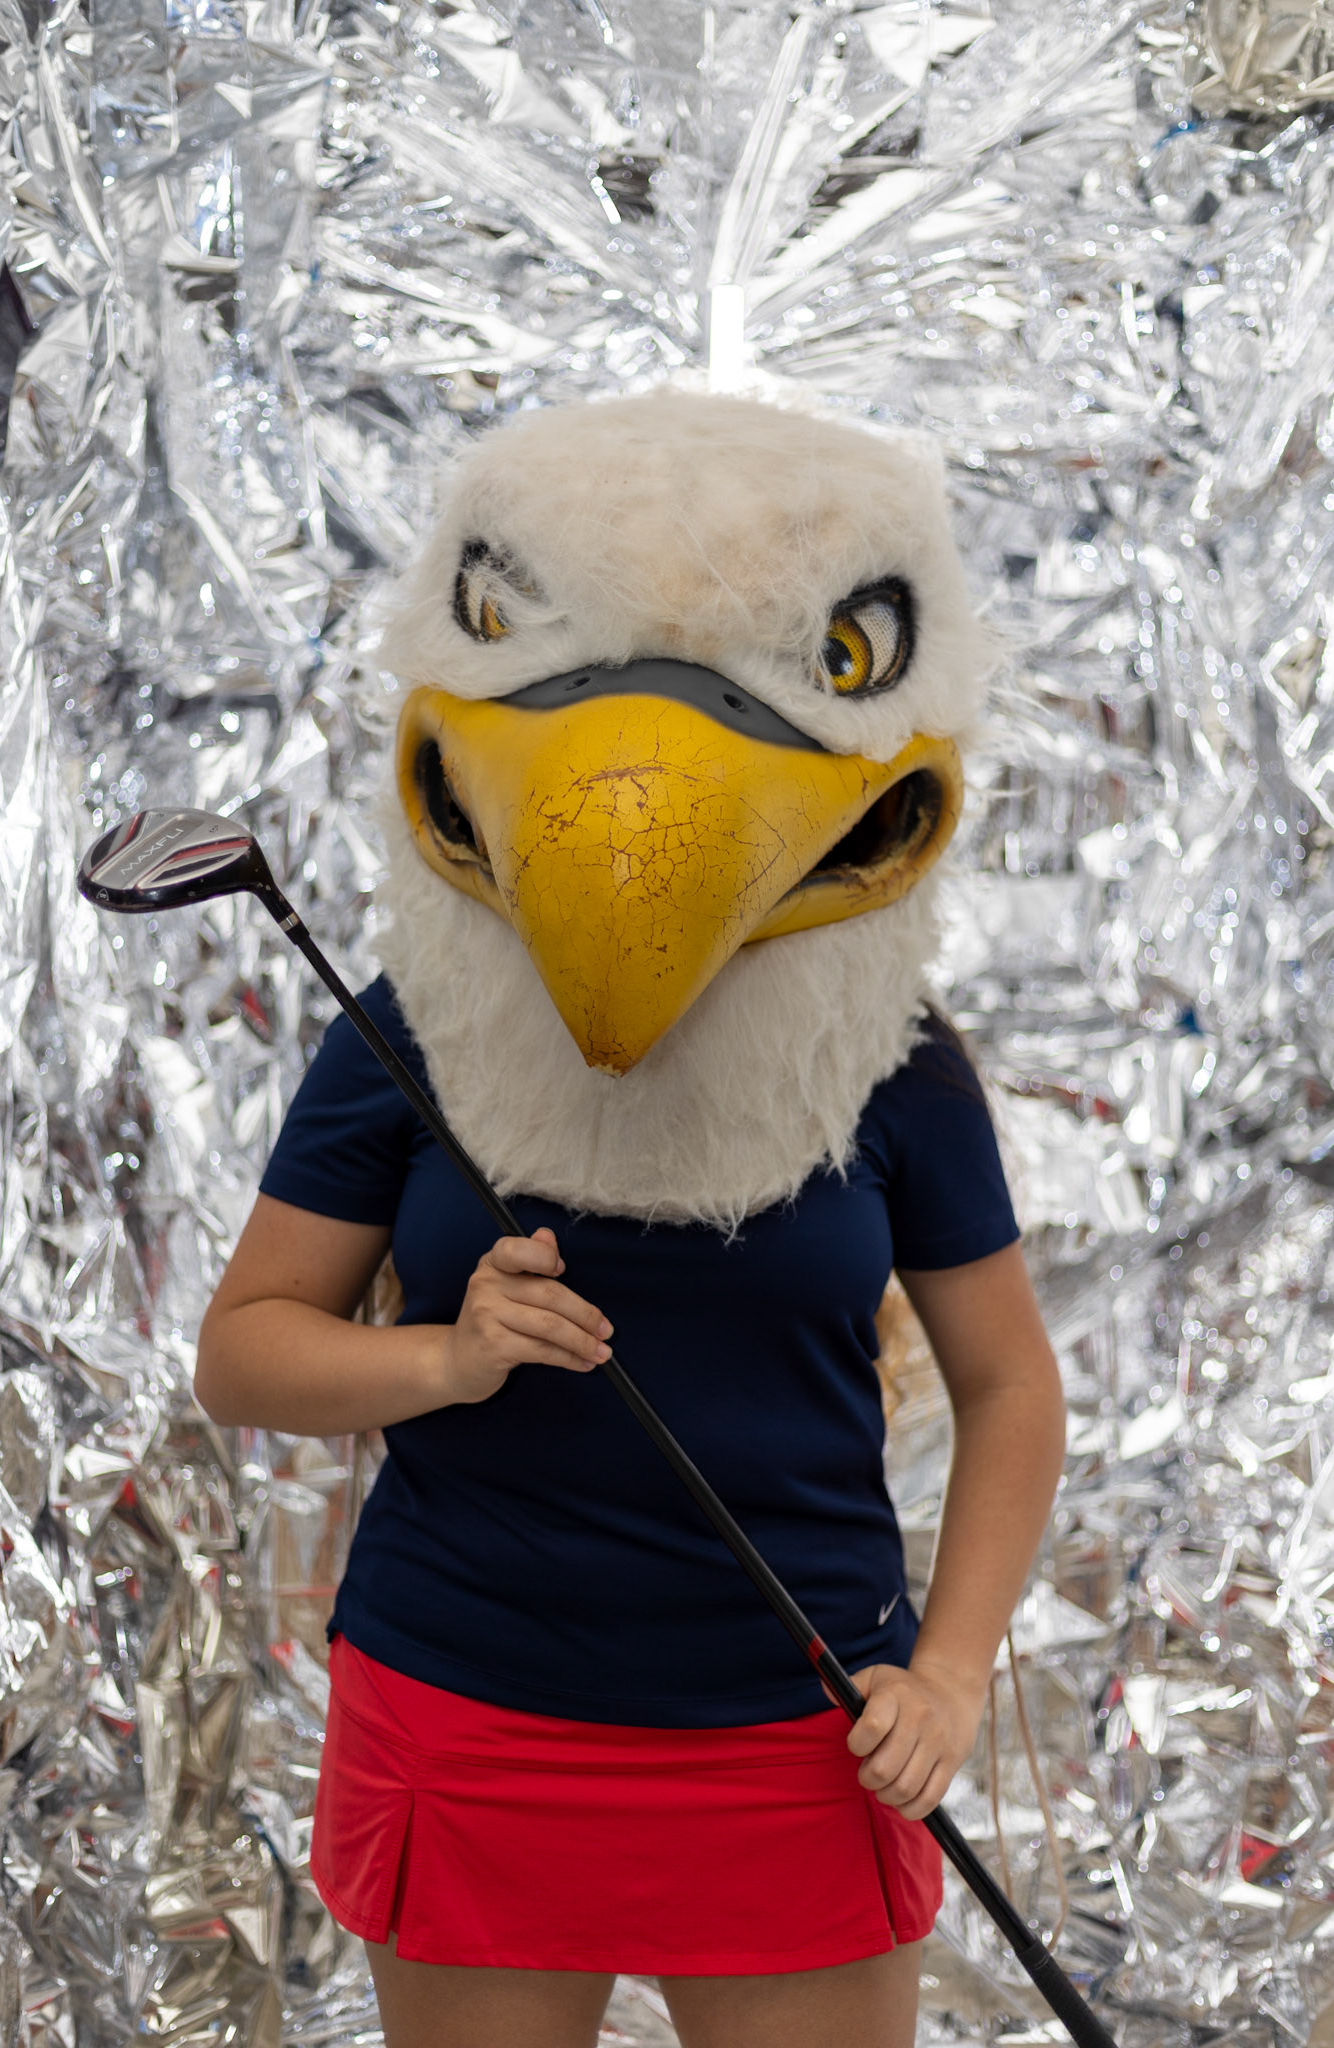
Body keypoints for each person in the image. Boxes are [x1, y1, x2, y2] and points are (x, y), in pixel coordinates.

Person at [195, 390, 1067, 2048]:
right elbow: (244, 1356)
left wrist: (950, 1673)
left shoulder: (897, 1070)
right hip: (470, 1721)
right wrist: (444, 1359)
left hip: (800, 1735)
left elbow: (1009, 1384)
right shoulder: (405, 1035)